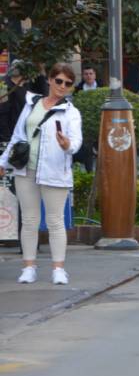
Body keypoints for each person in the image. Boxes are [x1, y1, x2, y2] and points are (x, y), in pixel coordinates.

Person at [0, 63, 82, 285]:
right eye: (59, 81)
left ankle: (58, 269)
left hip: (55, 171)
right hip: (26, 169)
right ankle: (29, 267)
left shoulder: (71, 112)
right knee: (29, 220)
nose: (62, 86)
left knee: (55, 221)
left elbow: (76, 142)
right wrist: (3, 162)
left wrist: (67, 145)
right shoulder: (32, 103)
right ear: (50, 80)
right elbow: (18, 135)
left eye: (67, 83)